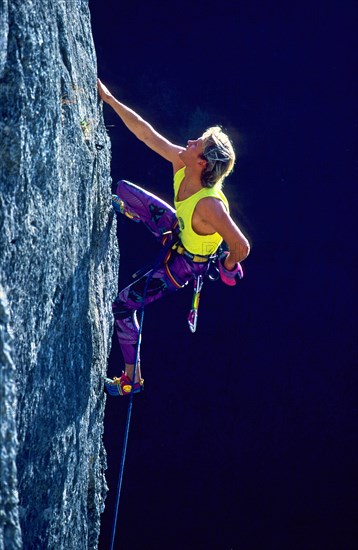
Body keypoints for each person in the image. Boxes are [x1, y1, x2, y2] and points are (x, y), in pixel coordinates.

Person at [97, 78, 250, 397]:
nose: (190, 141)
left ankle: (131, 379)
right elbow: (145, 132)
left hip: (183, 266)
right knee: (124, 190)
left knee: (124, 306)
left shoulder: (210, 206)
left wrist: (227, 265)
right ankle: (129, 210)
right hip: (176, 231)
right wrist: (110, 99)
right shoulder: (184, 162)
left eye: (198, 143)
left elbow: (241, 246)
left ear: (203, 163)